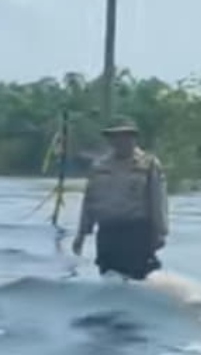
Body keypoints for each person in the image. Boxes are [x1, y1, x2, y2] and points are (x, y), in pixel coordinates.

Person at [72, 116, 168, 281]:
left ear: (134, 137)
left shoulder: (148, 164)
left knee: (138, 279)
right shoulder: (99, 166)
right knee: (109, 279)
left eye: (125, 136)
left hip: (136, 232)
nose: (120, 141)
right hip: (108, 232)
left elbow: (158, 201)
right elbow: (89, 201)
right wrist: (81, 234)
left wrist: (160, 233)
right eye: (114, 136)